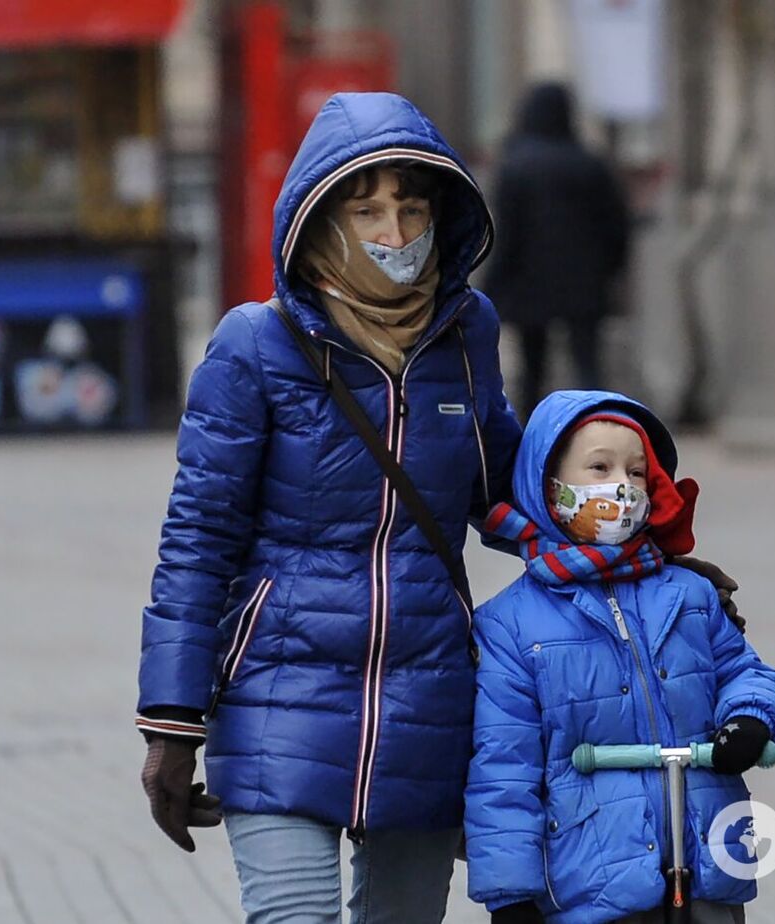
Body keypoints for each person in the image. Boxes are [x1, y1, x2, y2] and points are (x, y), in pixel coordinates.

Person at [135, 90, 525, 922]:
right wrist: (170, 720)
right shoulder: (255, 343)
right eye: (369, 210)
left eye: (412, 209)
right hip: (280, 691)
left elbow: (506, 491)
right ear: (319, 221)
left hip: (426, 698)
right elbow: (199, 538)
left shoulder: (466, 333)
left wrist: (638, 546)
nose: (394, 234)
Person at [465, 390, 775, 924]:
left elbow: (742, 670)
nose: (622, 486)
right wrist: (509, 893)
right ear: (549, 487)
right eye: (599, 467)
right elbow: (504, 768)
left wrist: (750, 718)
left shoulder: (689, 593)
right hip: (588, 877)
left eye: (636, 472)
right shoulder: (510, 625)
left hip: (705, 856)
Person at [479, 83, 634, 417]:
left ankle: (534, 440)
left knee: (533, 370)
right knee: (588, 366)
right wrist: (609, 270)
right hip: (584, 284)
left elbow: (507, 234)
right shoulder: (590, 164)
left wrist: (493, 282)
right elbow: (616, 225)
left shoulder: (516, 165)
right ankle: (597, 428)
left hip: (530, 285)